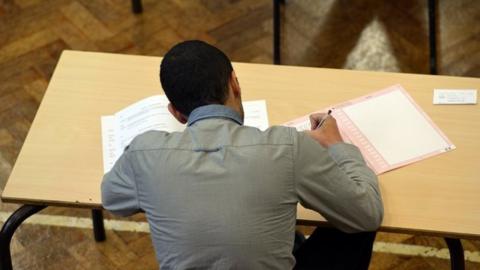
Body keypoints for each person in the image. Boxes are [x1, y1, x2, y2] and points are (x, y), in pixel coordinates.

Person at [101, 40, 383, 270]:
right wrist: (337, 147)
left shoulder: (143, 154)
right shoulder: (288, 147)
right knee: (352, 226)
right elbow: (367, 214)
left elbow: (112, 200)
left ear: (175, 113)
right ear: (235, 83)